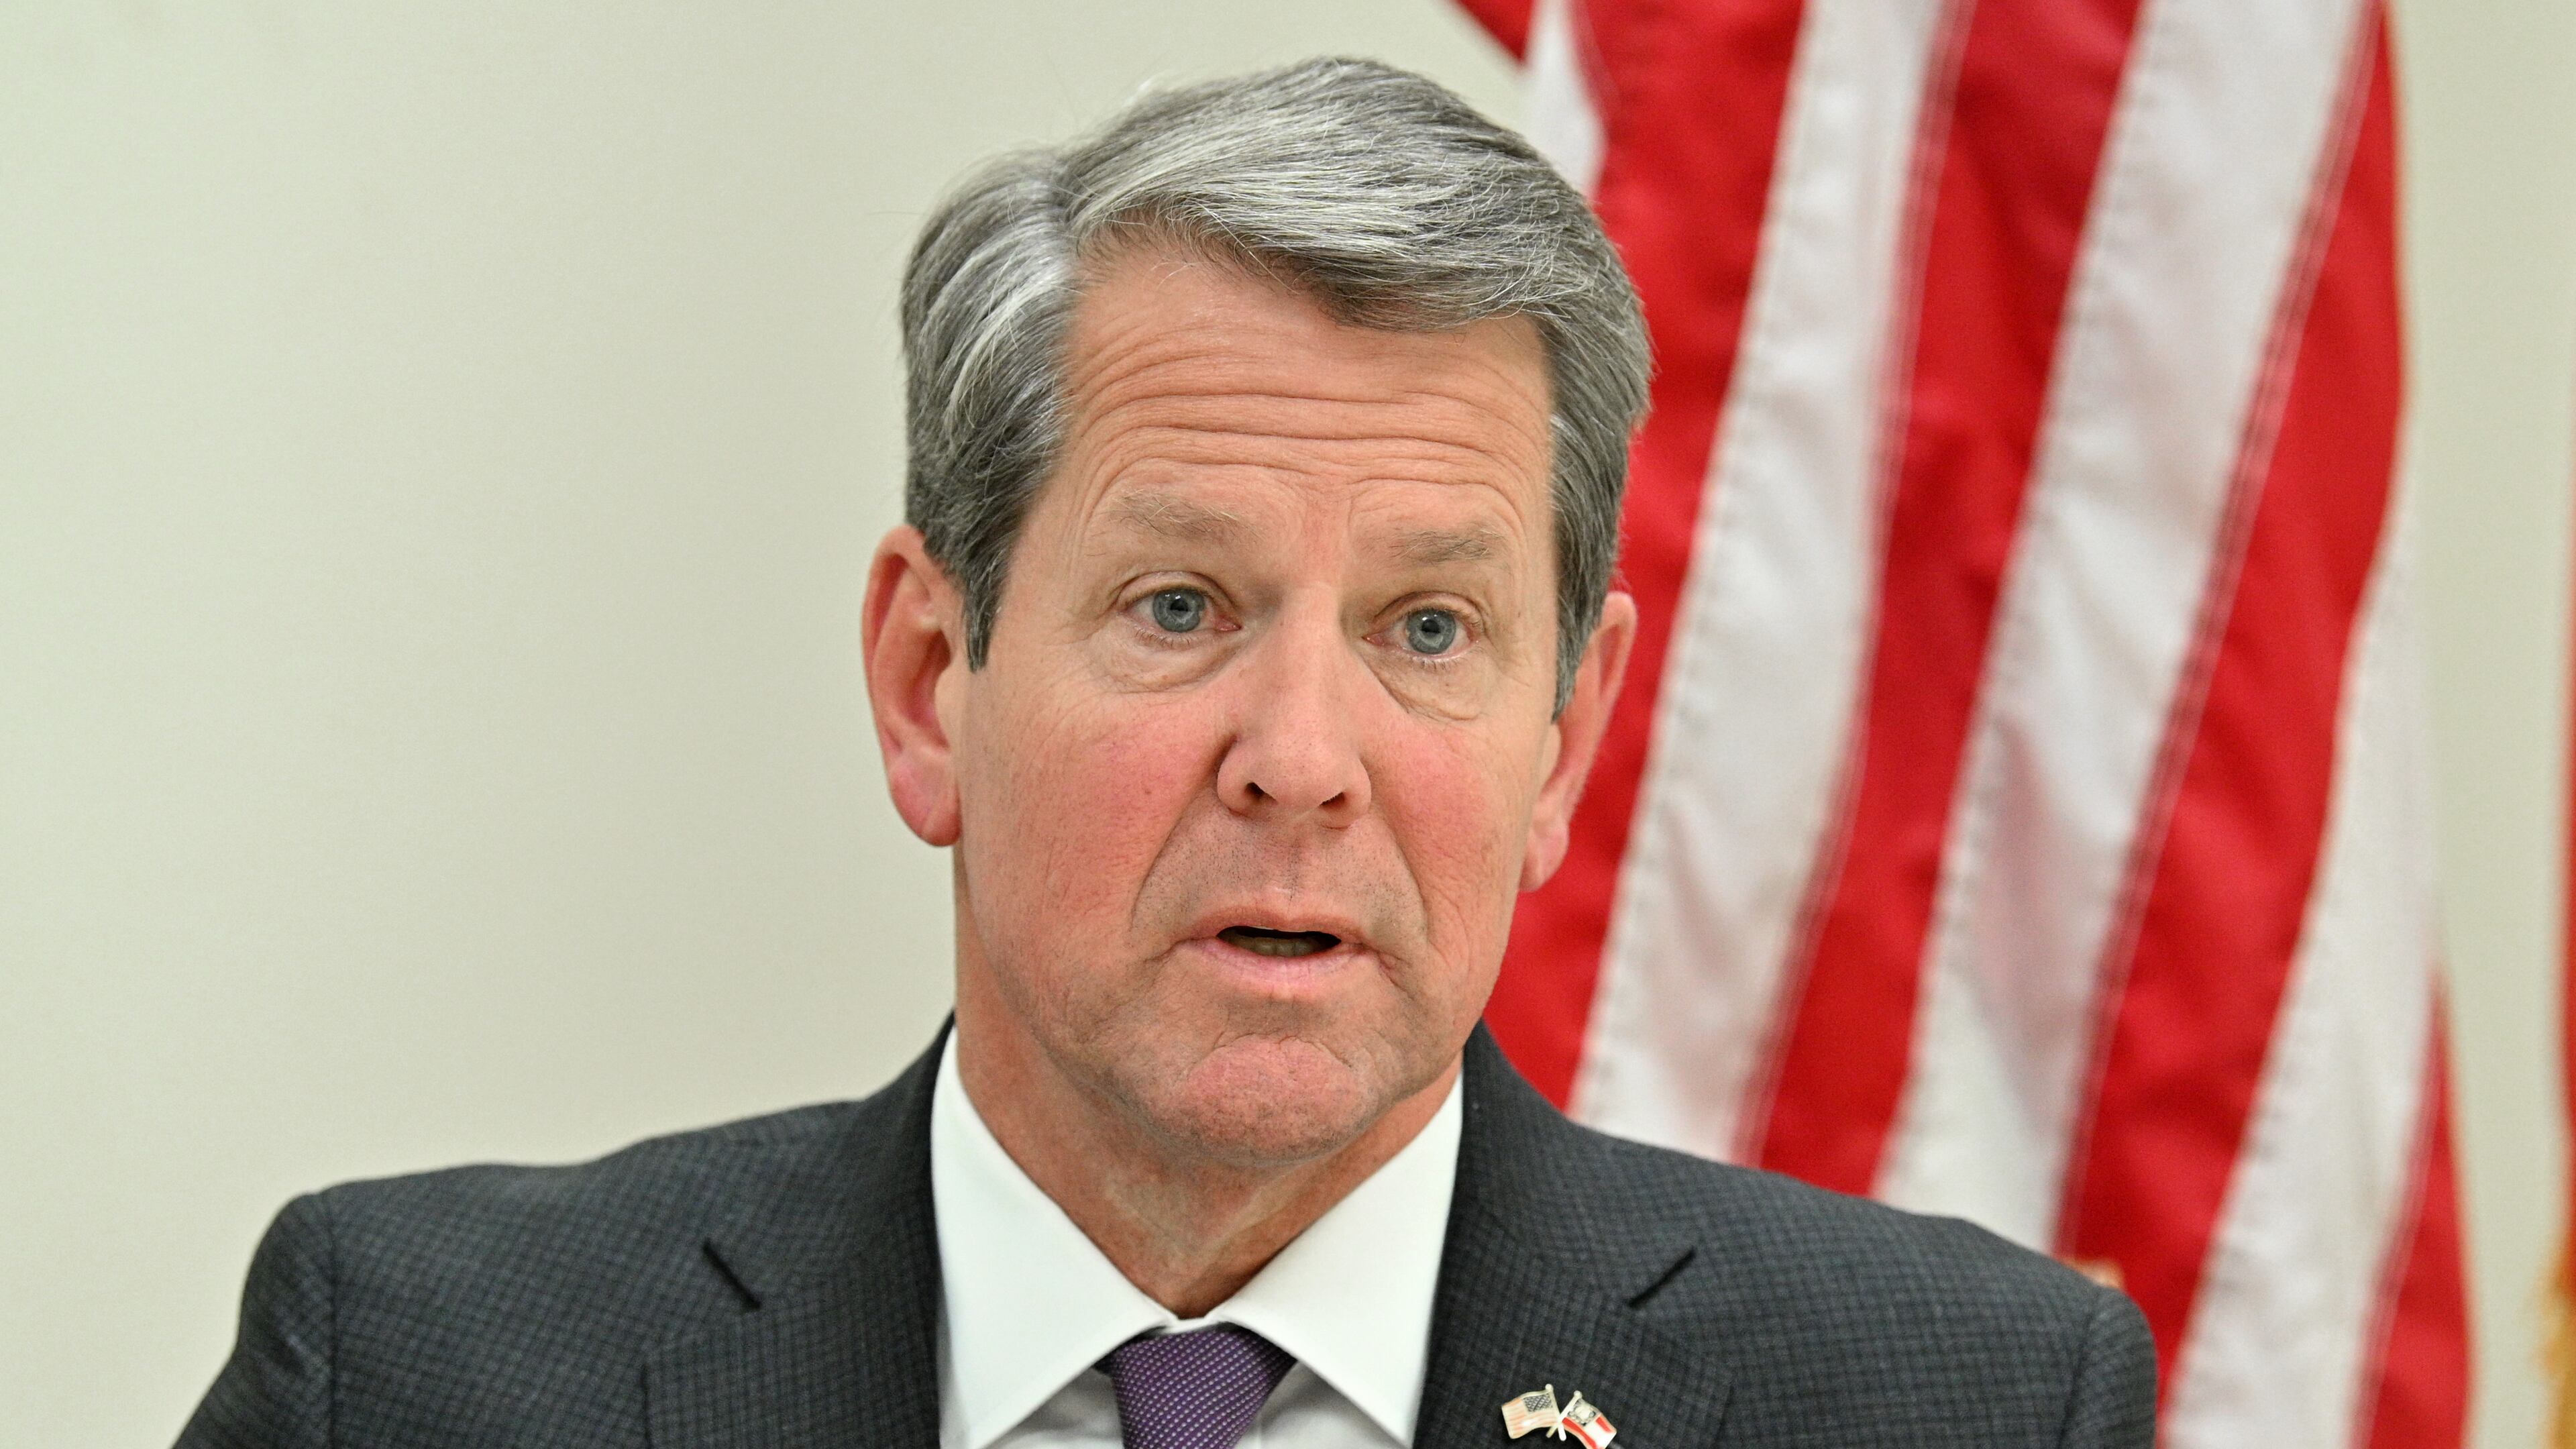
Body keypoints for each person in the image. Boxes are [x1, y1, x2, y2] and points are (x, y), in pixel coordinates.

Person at [178, 57, 2154, 1449]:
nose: (1303, 760)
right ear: (929, 674)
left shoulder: (1971, 1405)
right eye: (1182, 607)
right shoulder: (419, 1374)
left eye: (1431, 630)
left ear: (1566, 742)